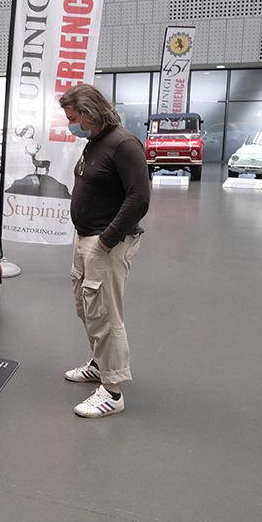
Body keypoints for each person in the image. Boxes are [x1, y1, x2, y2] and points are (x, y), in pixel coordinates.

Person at [59, 83, 150, 418]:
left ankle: (112, 392)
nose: (70, 124)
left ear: (89, 113)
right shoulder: (94, 142)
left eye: (72, 118)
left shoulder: (123, 144)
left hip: (105, 244)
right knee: (87, 308)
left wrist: (106, 241)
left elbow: (139, 198)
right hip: (86, 239)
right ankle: (100, 365)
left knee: (106, 315)